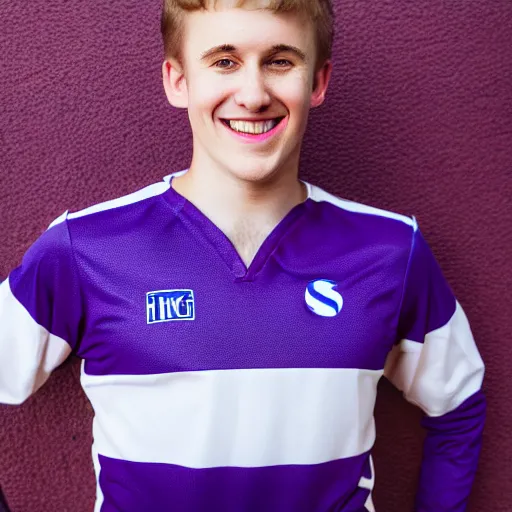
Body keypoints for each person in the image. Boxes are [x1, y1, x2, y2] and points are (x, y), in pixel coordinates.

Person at [0, 0, 486, 510]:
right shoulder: (84, 249)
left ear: (317, 82)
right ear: (177, 80)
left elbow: (458, 403)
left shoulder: (391, 251)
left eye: (280, 61)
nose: (253, 95)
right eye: (224, 61)